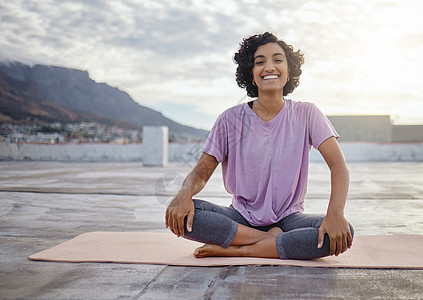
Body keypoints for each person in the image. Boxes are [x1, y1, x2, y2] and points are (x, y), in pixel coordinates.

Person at [165, 32, 353, 260]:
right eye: (260, 62)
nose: (269, 67)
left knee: (342, 232)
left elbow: (338, 166)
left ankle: (239, 248)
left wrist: (335, 213)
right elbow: (201, 173)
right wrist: (183, 195)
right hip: (241, 217)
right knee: (182, 216)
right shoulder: (229, 119)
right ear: (251, 75)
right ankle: (270, 242)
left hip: (289, 219)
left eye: (278, 59)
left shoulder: (307, 113)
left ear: (289, 70)